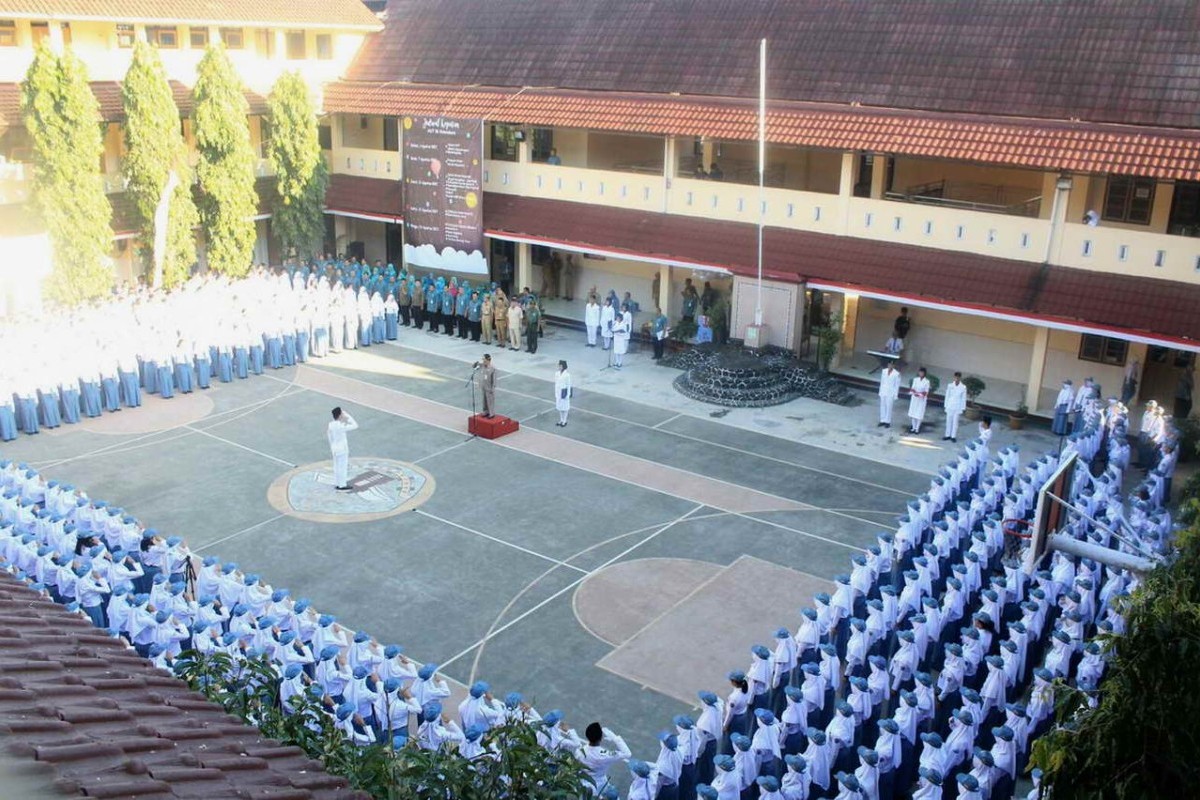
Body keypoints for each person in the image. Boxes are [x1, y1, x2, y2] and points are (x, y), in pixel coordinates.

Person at [576, 721, 631, 796]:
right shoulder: (605, 755)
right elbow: (627, 753)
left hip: (584, 782)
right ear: (601, 738)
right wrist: (614, 738)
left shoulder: (579, 751)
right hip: (600, 783)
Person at [327, 407, 358, 491]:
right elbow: (355, 425)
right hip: (342, 449)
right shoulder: (340, 426)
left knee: (336, 466)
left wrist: (332, 447)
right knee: (342, 467)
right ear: (340, 415)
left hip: (335, 448)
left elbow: (330, 437)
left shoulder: (331, 425)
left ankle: (337, 483)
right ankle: (342, 484)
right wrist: (348, 416)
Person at [943, 372, 967, 443]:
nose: (956, 379)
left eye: (958, 377)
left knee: (955, 422)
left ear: (960, 378)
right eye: (955, 377)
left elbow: (963, 398)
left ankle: (953, 436)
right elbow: (947, 395)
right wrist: (946, 405)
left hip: (958, 406)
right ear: (954, 377)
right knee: (948, 421)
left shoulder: (963, 387)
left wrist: (962, 408)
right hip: (950, 405)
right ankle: (947, 435)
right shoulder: (950, 385)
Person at [908, 368, 931, 434]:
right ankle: (913, 427)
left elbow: (926, 391)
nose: (921, 374)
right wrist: (914, 393)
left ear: (924, 373)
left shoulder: (927, 381)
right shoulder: (915, 379)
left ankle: (917, 428)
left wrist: (920, 394)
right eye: (920, 372)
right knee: (913, 412)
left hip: (921, 399)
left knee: (919, 413)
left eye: (922, 373)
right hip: (915, 398)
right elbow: (913, 388)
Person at [878, 364, 901, 428]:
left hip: (891, 392)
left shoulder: (896, 374)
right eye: (889, 365)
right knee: (882, 405)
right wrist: (880, 391)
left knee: (889, 407)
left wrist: (896, 395)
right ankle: (882, 420)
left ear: (893, 366)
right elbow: (882, 382)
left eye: (891, 365)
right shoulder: (884, 371)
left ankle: (887, 421)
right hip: (883, 391)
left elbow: (897, 385)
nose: (890, 366)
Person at [554, 360, 572, 427]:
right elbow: (556, 383)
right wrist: (556, 392)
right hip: (558, 392)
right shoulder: (556, 373)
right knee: (560, 407)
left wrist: (568, 394)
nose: (559, 367)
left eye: (560, 366)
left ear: (563, 366)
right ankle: (561, 420)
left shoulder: (567, 375)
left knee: (565, 407)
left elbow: (568, 385)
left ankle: (565, 421)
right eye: (559, 365)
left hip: (564, 392)